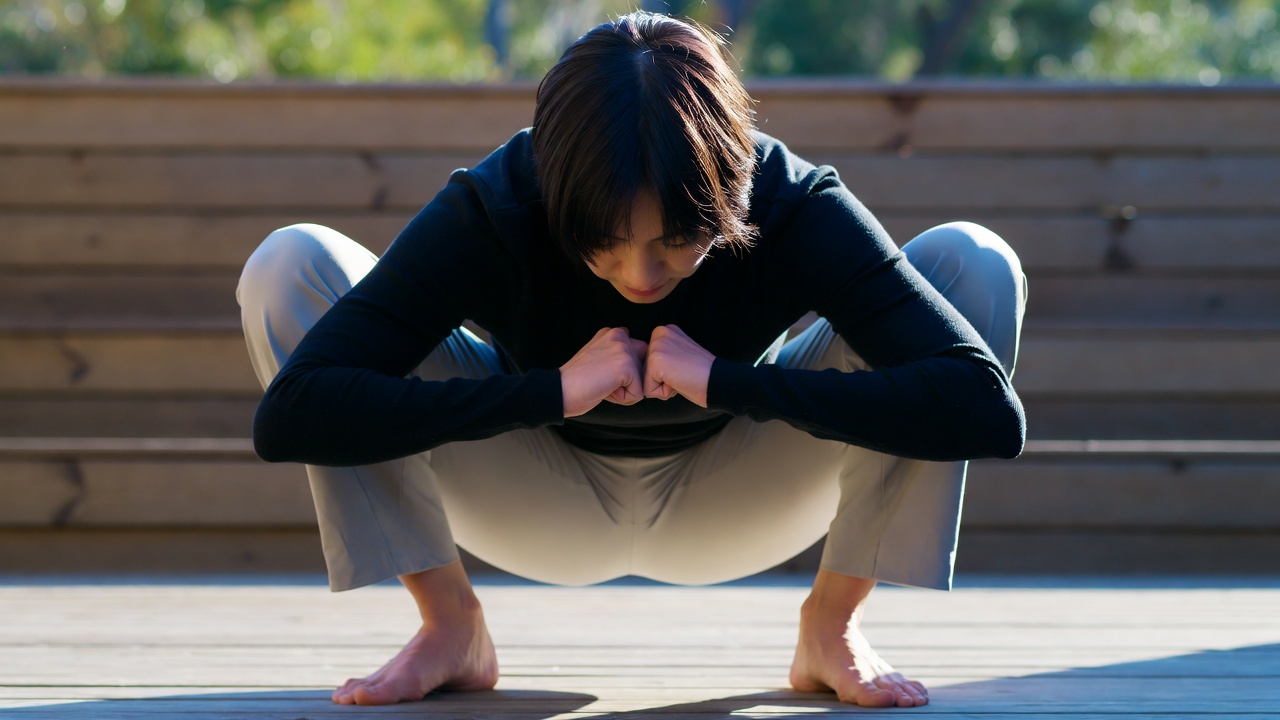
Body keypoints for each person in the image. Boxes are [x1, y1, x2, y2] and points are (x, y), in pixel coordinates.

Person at [237, 11, 1026, 710]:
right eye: (605, 244)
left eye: (680, 242)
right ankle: (450, 627)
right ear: (558, 190)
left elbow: (984, 411)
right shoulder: (501, 201)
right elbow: (293, 415)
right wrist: (546, 393)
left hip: (742, 489)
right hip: (532, 492)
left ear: (732, 187)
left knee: (973, 262)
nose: (642, 278)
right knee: (291, 263)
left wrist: (725, 380)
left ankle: (831, 625)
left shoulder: (791, 199)